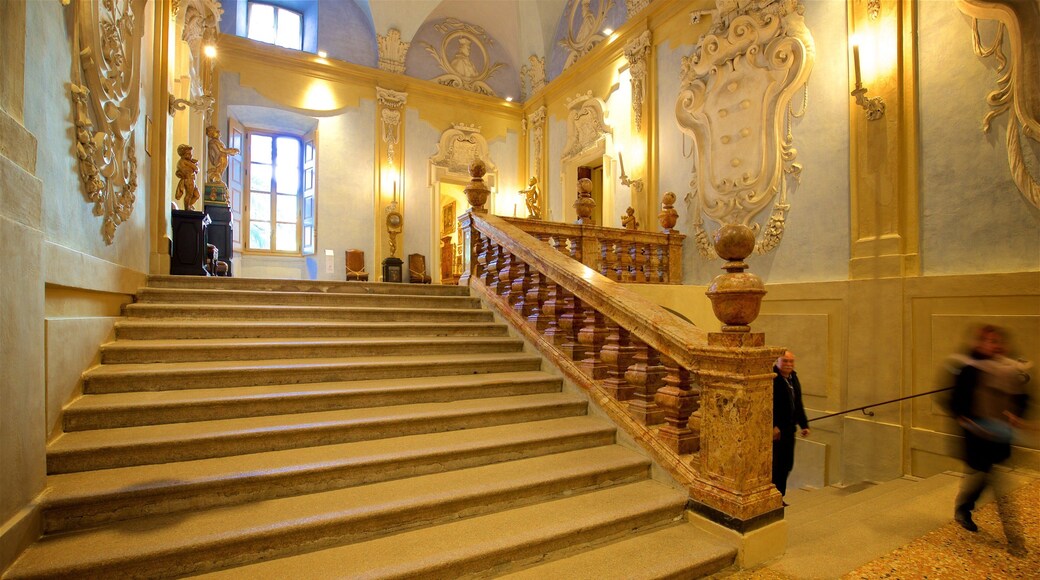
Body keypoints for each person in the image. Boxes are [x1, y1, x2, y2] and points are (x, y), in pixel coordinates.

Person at [949, 324, 1031, 556]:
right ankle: (1015, 538)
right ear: (978, 343)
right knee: (993, 480)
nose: (994, 345)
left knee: (984, 477)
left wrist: (1017, 415)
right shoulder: (966, 368)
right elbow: (955, 401)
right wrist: (967, 420)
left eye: (997, 341)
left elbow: (1022, 397)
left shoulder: (1009, 368)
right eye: (989, 341)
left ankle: (964, 506)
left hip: (1000, 435)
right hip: (977, 436)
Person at [772, 350, 809, 499]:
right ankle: (772, 498)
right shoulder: (772, 378)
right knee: (776, 467)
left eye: (791, 361)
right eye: (785, 361)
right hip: (777, 431)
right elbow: (767, 405)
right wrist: (772, 426)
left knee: (787, 465)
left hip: (789, 429)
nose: (788, 364)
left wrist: (804, 424)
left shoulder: (793, 377)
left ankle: (780, 496)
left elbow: (798, 403)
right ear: (777, 362)